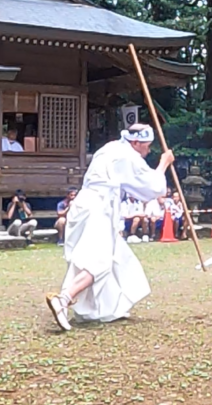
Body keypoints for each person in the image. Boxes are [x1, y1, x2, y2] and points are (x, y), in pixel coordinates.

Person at [45, 123, 174, 331]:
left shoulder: (109, 148)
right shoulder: (127, 156)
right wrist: (164, 164)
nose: (148, 151)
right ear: (136, 142)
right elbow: (153, 187)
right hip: (99, 207)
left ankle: (106, 309)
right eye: (147, 146)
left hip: (84, 203)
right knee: (100, 261)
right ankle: (64, 299)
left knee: (115, 258)